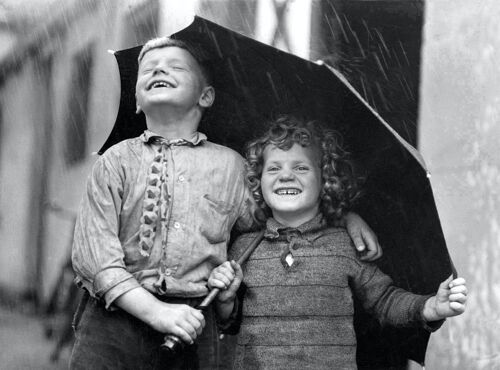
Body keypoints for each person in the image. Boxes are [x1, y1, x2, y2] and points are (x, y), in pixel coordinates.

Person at [70, 37, 382, 369]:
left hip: (195, 320)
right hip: (114, 321)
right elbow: (96, 259)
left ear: (206, 96)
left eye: (175, 66)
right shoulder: (114, 162)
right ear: (136, 100)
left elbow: (278, 215)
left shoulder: (233, 167)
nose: (158, 68)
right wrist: (157, 312)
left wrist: (343, 216)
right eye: (148, 70)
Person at [208, 116, 468, 370]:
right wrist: (225, 301)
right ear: (258, 182)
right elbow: (229, 324)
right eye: (273, 168)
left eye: (301, 167)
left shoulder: (345, 244)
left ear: (325, 181)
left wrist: (430, 307)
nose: (285, 175)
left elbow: (385, 301)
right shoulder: (244, 248)